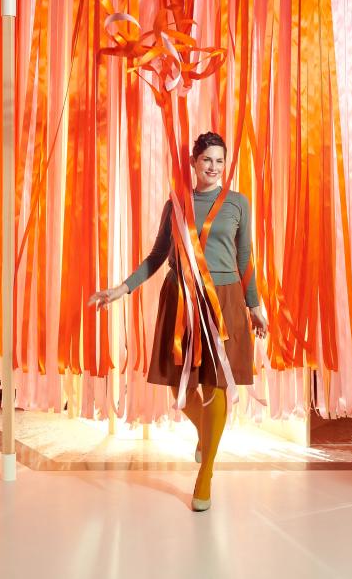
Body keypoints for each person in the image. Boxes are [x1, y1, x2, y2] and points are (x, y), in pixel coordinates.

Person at [88, 131, 268, 512]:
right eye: (207, 160)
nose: (213, 167)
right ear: (193, 162)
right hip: (181, 299)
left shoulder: (238, 203)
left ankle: (206, 474)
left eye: (219, 161)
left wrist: (254, 306)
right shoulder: (176, 205)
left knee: (217, 384)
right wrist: (122, 288)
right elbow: (157, 256)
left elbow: (245, 257)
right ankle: (206, 432)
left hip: (223, 301)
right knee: (178, 384)